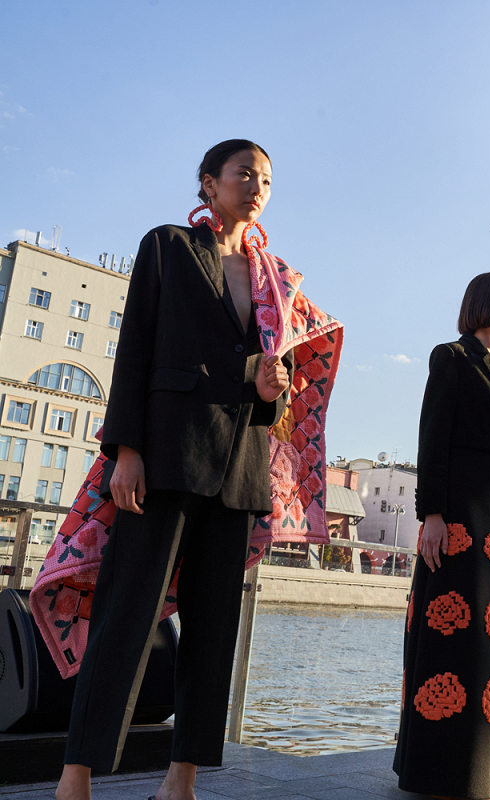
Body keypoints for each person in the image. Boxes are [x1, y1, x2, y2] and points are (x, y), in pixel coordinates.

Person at [56, 140, 297, 800]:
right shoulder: (166, 246)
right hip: (163, 456)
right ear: (208, 182)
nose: (255, 185)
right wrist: (125, 450)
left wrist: (279, 380)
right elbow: (135, 347)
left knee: (212, 632)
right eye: (243, 172)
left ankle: (181, 777)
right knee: (125, 619)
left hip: (238, 468)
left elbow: (279, 364)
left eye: (266, 178)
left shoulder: (276, 276)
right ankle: (76, 776)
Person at [395, 272, 490, 799]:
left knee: (487, 633)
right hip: (458, 509)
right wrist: (431, 514)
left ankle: (477, 767)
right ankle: (435, 767)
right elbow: (432, 436)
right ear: (479, 304)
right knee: (447, 626)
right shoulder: (449, 357)